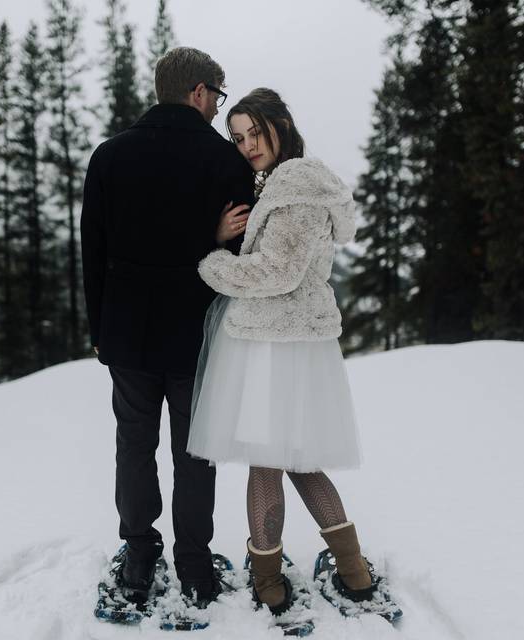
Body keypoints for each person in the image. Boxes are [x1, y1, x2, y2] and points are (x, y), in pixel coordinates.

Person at [188, 88, 379, 616]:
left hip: (277, 344)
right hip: (288, 340)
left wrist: (212, 264)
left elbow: (279, 271)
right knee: (292, 459)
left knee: (271, 462)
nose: (248, 145)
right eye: (238, 137)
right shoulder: (283, 182)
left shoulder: (295, 184)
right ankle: (352, 570)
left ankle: (271, 580)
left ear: (281, 124)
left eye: (255, 132)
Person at [80, 47, 255, 607]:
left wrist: (99, 327)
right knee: (193, 451)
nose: (215, 108)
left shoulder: (110, 156)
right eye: (216, 97)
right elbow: (245, 251)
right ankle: (195, 567)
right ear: (199, 91)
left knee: (133, 442)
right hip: (197, 332)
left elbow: (93, 249)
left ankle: (137, 556)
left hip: (126, 328)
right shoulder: (225, 161)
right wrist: (213, 237)